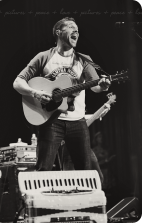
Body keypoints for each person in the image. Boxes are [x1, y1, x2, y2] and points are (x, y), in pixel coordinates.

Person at [13, 17, 111, 171]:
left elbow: (95, 87)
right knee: (43, 169)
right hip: (51, 121)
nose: (76, 32)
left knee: (84, 170)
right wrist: (35, 93)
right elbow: (18, 82)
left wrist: (103, 87)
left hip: (78, 122)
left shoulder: (84, 60)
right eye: (72, 27)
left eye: (77, 30)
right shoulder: (44, 57)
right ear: (58, 32)